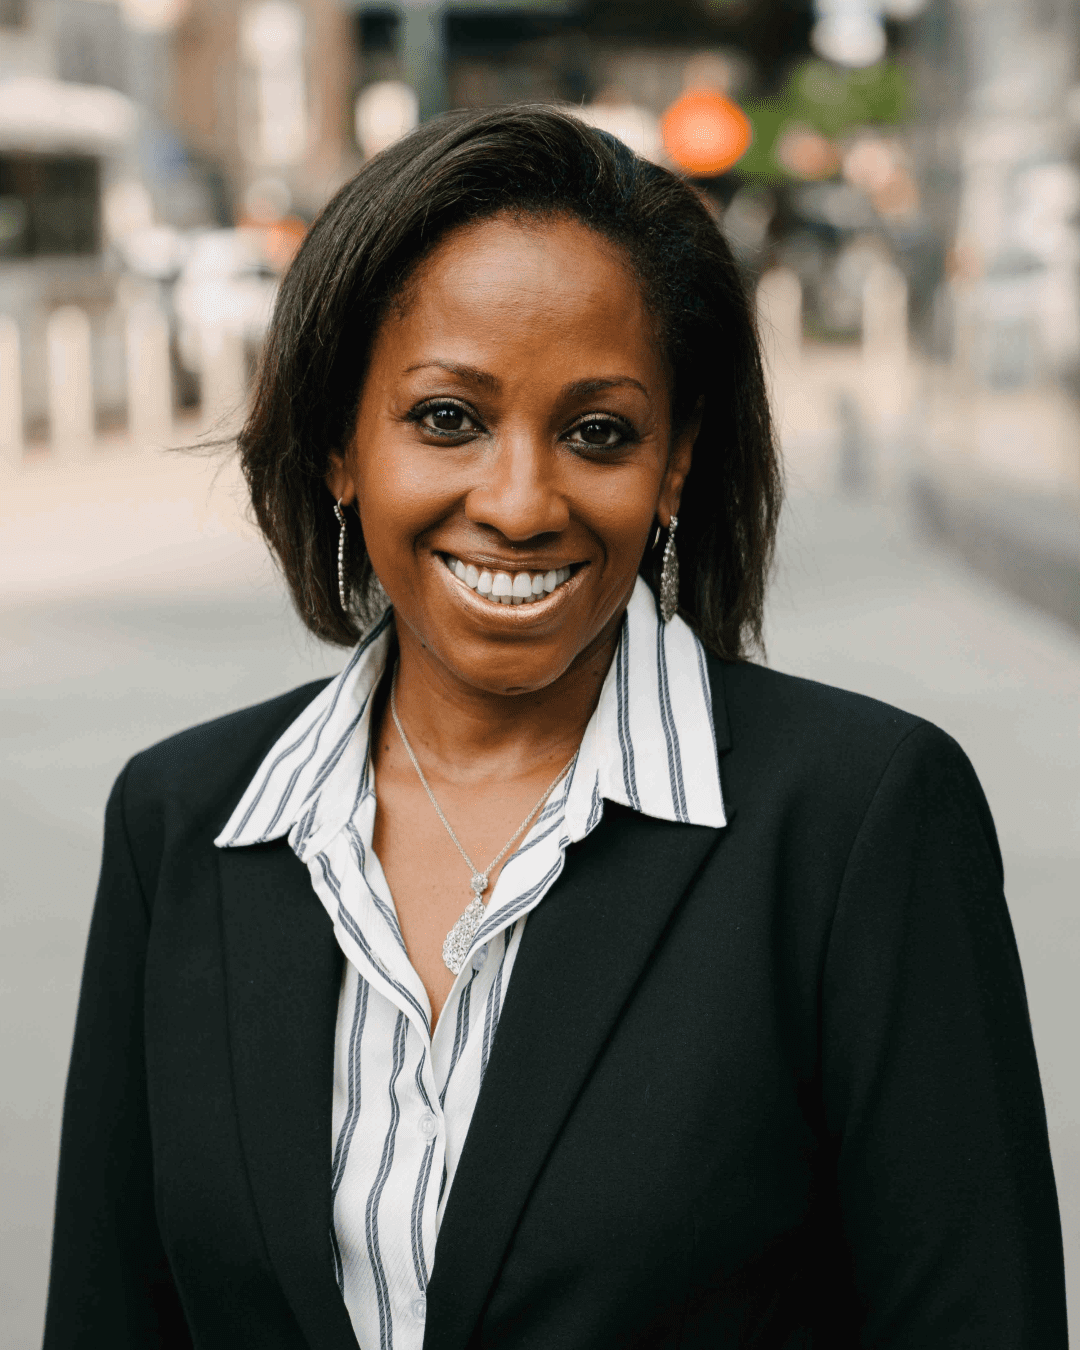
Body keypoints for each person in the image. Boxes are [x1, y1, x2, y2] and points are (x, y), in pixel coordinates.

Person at [43, 106, 1067, 1350]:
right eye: (446, 419)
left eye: (598, 433)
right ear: (335, 444)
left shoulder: (860, 820)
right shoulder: (183, 820)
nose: (521, 503)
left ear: (676, 462)